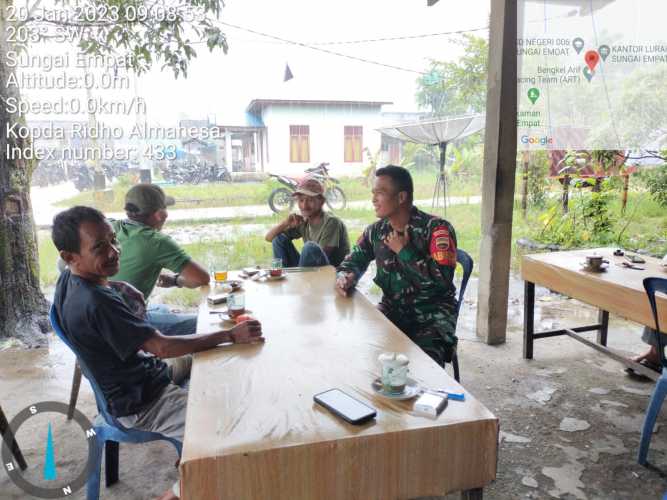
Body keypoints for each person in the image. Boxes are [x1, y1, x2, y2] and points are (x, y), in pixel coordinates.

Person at [51, 206, 264, 500]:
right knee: (229, 432)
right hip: (143, 402)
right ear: (70, 256)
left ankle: (188, 454)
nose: (113, 252)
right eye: (100, 247)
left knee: (213, 360)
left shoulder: (69, 281)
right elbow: (161, 347)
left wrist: (116, 284)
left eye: (113, 240)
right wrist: (229, 334)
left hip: (138, 377)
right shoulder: (98, 303)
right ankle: (181, 486)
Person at [335, 165, 458, 367]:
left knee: (425, 369)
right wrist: (346, 277)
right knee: (361, 350)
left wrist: (404, 251)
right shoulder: (376, 231)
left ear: (401, 197)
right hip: (393, 310)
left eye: (380, 193)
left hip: (432, 315)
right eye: (373, 193)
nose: (373, 199)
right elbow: (352, 261)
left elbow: (442, 282)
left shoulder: (436, 229)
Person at [111, 183, 210, 336]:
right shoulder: (155, 241)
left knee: (163, 309)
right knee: (206, 323)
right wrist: (176, 281)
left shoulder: (109, 227)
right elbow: (201, 278)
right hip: (126, 324)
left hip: (103, 316)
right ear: (159, 214)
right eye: (165, 208)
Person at [265, 176, 350, 267]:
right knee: (279, 239)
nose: (304, 205)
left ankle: (299, 280)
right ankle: (285, 277)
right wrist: (286, 223)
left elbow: (320, 258)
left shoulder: (332, 222)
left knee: (309, 247)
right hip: (309, 271)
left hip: (330, 274)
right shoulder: (304, 221)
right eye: (301, 200)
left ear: (321, 201)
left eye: (310, 200)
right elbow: (269, 238)